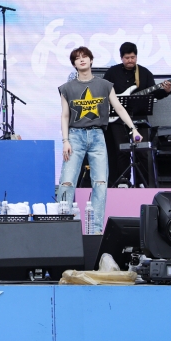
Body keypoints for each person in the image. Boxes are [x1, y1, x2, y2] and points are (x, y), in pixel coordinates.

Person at [57, 46, 142, 234]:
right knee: (67, 181)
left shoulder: (104, 85)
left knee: (101, 183)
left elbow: (119, 108)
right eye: (77, 58)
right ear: (74, 64)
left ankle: (95, 231)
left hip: (97, 136)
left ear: (91, 60)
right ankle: (63, 228)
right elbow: (64, 115)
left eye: (85, 56)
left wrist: (133, 128)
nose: (81, 60)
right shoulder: (67, 88)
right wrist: (65, 140)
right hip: (75, 136)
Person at [102, 42, 171, 186]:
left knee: (142, 151)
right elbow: (102, 92)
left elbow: (154, 94)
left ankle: (143, 184)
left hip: (140, 119)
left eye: (133, 57)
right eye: (127, 58)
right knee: (120, 151)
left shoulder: (144, 73)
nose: (130, 60)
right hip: (117, 120)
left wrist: (166, 91)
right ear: (121, 58)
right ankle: (122, 182)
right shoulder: (112, 73)